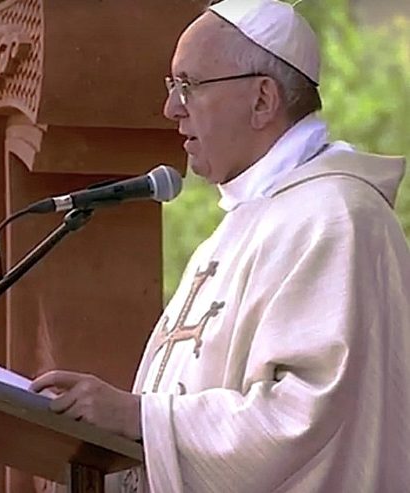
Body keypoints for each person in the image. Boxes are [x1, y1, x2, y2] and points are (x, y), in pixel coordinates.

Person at [30, 0, 410, 491]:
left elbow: (307, 417)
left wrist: (140, 417)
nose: (171, 108)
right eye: (172, 87)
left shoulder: (337, 218)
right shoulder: (241, 225)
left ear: (262, 100)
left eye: (188, 85)